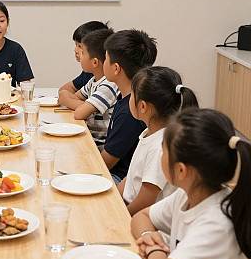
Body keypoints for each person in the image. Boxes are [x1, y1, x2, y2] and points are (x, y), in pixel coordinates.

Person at [131, 108, 251, 259]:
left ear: (182, 170)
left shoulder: (216, 224)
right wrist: (146, 235)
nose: (160, 154)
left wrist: (154, 248)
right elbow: (141, 218)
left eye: (164, 150)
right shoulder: (186, 195)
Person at [120, 66, 198, 215]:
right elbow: (132, 177)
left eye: (131, 95)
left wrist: (121, 216)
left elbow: (147, 198)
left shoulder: (160, 146)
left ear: (142, 106)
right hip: (128, 206)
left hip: (143, 216)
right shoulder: (149, 133)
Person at [100, 29, 157, 181]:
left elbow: (105, 163)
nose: (103, 63)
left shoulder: (130, 112)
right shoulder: (127, 97)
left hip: (118, 178)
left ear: (116, 68)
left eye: (105, 59)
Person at [58, 28, 118, 145]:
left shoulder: (108, 85)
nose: (79, 55)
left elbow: (79, 112)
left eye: (83, 53)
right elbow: (73, 96)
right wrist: (85, 106)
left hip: (97, 144)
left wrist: (83, 107)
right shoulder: (93, 80)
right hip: (87, 135)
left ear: (95, 62)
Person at [59, 20, 109, 94]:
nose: (75, 50)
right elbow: (65, 89)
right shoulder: (90, 74)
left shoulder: (107, 80)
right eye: (76, 45)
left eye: (80, 46)